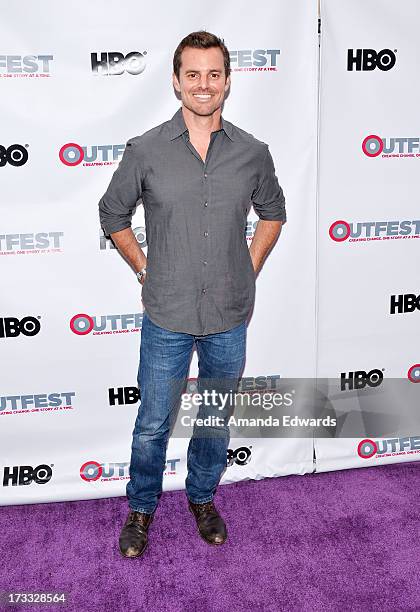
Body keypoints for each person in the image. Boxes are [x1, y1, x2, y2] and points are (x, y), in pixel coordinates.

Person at [99, 30, 286, 558]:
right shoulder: (147, 150)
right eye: (193, 75)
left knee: (214, 419)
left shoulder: (253, 153)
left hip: (229, 314)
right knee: (153, 422)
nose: (204, 85)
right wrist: (143, 268)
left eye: (214, 74)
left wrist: (246, 270)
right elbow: (111, 212)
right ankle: (141, 508)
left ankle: (202, 498)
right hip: (167, 313)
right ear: (177, 83)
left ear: (227, 81)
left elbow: (274, 213)